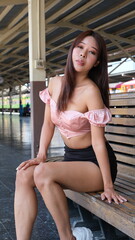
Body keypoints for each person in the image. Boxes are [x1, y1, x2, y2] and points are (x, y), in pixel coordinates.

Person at [14, 30, 127, 240]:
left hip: (94, 165)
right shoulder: (55, 83)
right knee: (24, 175)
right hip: (71, 159)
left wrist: (108, 185)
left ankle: (67, 238)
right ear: (72, 50)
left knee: (43, 173)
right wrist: (40, 155)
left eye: (91, 52)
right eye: (80, 47)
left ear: (96, 62)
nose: (83, 54)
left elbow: (99, 143)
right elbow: (48, 123)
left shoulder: (91, 92)